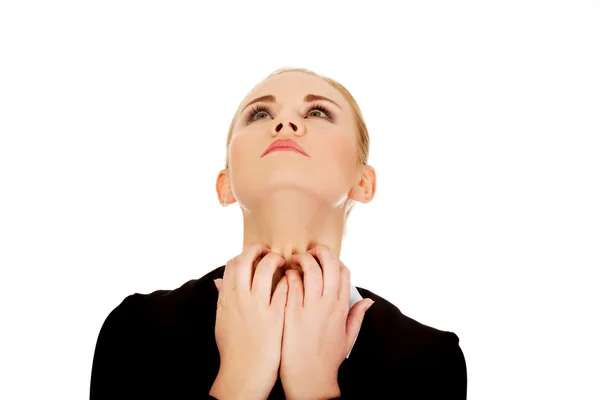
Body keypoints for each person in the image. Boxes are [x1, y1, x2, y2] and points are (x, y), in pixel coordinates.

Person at [89, 67, 468, 399]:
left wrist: (315, 387)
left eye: (317, 111)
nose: (284, 124)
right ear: (225, 184)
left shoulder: (430, 359)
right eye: (259, 114)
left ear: (364, 182)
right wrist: (238, 382)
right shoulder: (137, 332)